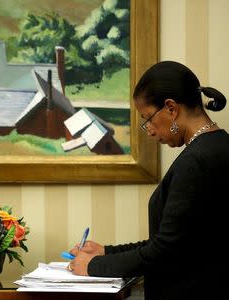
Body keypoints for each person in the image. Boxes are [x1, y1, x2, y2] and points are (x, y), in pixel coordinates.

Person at [67, 61, 229, 300]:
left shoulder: (197, 161)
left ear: (171, 108)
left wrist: (93, 266)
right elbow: (176, 240)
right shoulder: (218, 147)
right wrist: (106, 252)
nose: (149, 129)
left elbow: (164, 251)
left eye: (148, 119)